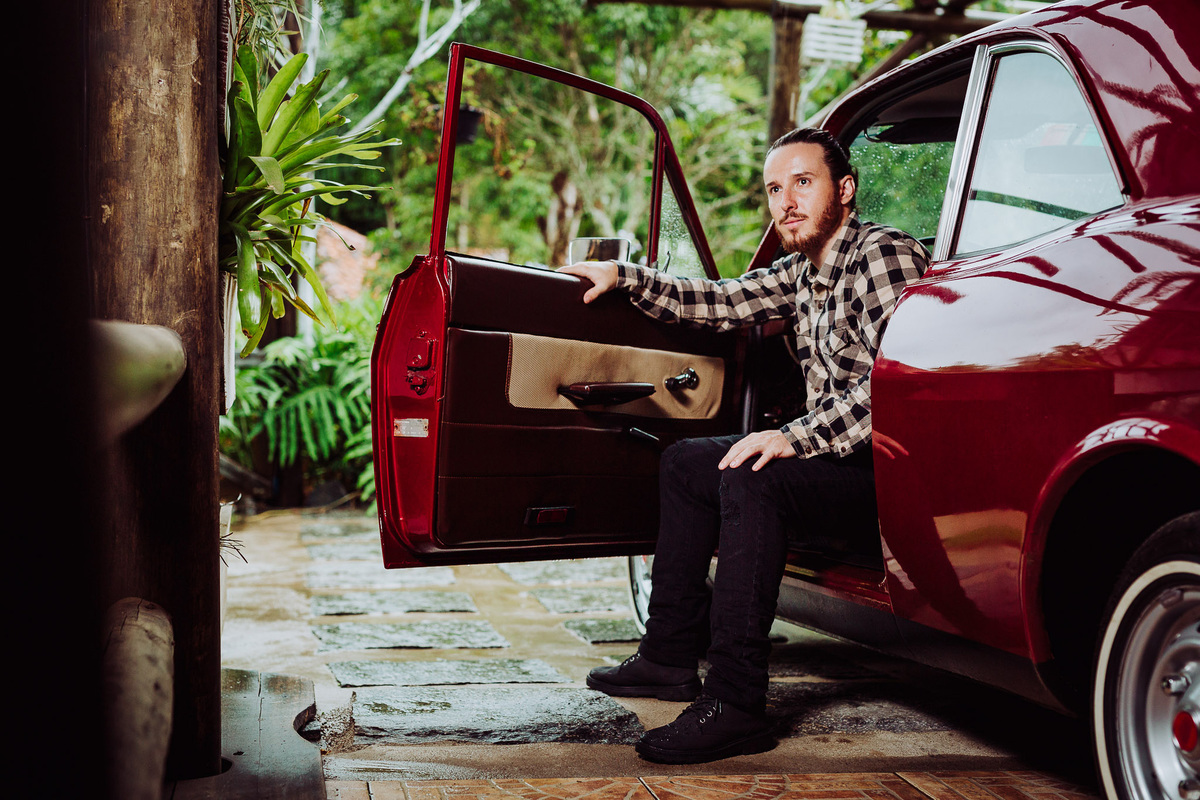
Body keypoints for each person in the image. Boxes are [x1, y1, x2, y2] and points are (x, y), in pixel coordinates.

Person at [558, 127, 930, 765]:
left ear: (845, 189)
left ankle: (735, 703)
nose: (786, 201)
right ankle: (669, 657)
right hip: (832, 456)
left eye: (803, 183)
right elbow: (719, 301)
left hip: (890, 468)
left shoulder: (882, 255)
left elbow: (892, 388)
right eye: (774, 189)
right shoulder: (803, 272)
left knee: (752, 474)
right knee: (686, 463)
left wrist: (790, 436)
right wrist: (624, 275)